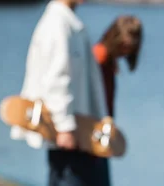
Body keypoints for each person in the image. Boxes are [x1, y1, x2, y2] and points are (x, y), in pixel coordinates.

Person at [10, 0, 110, 185]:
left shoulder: (64, 21)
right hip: (68, 135)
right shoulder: (58, 24)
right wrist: (64, 127)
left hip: (77, 133)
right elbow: (57, 78)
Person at [93, 15, 143, 117]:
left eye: (131, 48)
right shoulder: (99, 56)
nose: (126, 52)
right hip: (91, 121)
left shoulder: (109, 60)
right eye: (124, 47)